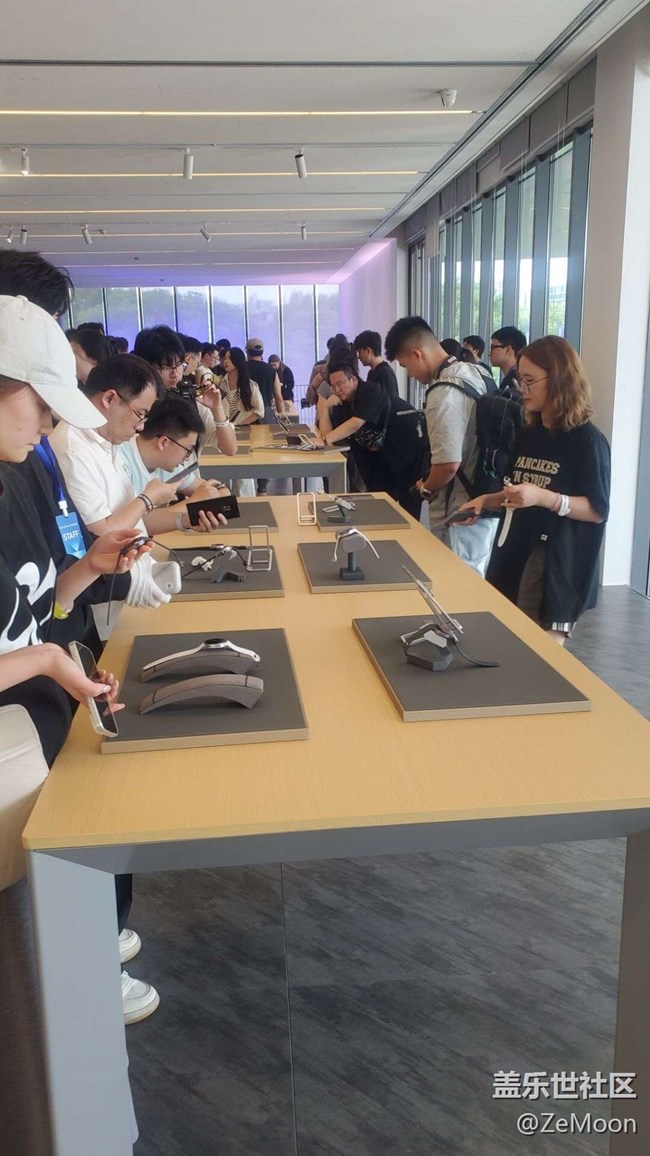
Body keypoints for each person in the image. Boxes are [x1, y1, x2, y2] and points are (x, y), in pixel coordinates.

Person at [0, 295, 155, 1155]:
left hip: (43, 744)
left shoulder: (22, 469)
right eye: (39, 404)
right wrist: (46, 664)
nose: (51, 424)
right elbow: (25, 647)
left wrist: (89, 569)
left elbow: (35, 611)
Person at [458, 336, 611, 643]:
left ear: (559, 381)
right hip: (516, 550)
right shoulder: (529, 433)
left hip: (557, 563)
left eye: (529, 381)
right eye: (520, 380)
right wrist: (487, 500)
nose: (522, 390)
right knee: (507, 639)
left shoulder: (587, 441)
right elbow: (518, 490)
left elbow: (597, 510)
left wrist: (545, 498)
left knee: (540, 652)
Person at [50, 355, 228, 549]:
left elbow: (131, 518)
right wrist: (147, 499)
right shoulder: (74, 451)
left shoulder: (107, 440)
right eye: (140, 413)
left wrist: (185, 520)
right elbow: (101, 537)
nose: (141, 427)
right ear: (109, 399)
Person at [384, 315, 498, 574]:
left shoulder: (444, 393)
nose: (410, 374)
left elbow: (447, 464)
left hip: (457, 512)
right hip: (482, 500)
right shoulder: (476, 372)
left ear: (418, 354)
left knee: (455, 582)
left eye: (406, 365)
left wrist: (425, 489)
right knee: (473, 577)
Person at [315, 361, 428, 518]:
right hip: (380, 460)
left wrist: (324, 440)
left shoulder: (370, 391)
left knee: (408, 507)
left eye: (339, 384)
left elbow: (355, 423)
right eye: (333, 387)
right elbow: (328, 434)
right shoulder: (344, 404)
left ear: (353, 379)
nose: (336, 390)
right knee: (380, 504)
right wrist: (325, 408)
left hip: (406, 452)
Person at [133, 325, 236, 455]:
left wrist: (217, 409)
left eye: (179, 365)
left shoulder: (191, 397)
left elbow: (230, 449)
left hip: (189, 469)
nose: (175, 374)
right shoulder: (132, 403)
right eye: (166, 367)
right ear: (145, 366)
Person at [119, 392, 212, 499]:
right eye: (188, 450)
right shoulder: (119, 460)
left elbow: (206, 490)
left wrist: (220, 489)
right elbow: (134, 510)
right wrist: (191, 503)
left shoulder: (165, 463)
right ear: (163, 442)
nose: (187, 458)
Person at [354, 329, 399, 400]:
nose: (359, 357)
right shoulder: (371, 372)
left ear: (368, 350)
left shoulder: (385, 373)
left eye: (360, 352)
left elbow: (391, 402)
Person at [489, 326, 527, 397]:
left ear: (508, 350)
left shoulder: (513, 382)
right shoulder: (521, 376)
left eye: (493, 347)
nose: (489, 353)